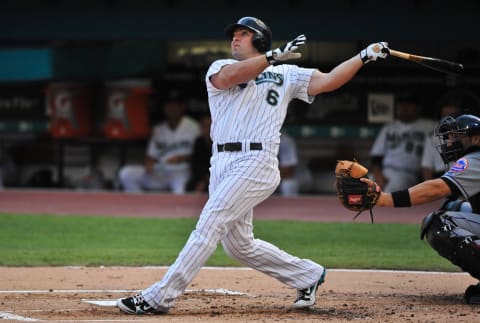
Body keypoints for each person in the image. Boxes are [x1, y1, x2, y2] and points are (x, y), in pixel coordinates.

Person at [117, 16, 389, 314]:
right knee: (239, 246)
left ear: (259, 40)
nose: (235, 38)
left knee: (210, 222)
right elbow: (231, 78)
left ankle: (159, 297)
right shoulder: (220, 66)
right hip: (221, 161)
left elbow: (328, 81)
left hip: (257, 160)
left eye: (244, 34)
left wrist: (363, 56)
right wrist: (271, 56)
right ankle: (307, 274)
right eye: (234, 34)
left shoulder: (287, 73)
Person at [363, 113, 480, 304]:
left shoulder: (475, 158)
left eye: (455, 137)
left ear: (475, 139)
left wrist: (385, 199)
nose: (449, 142)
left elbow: (438, 188)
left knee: (439, 223)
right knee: (456, 207)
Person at [118, 91, 200, 194]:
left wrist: (182, 158)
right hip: (161, 170)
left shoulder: (194, 127)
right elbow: (151, 156)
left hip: (181, 171)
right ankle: (140, 206)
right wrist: (149, 163)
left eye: (175, 105)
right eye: (169, 105)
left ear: (182, 107)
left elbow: (200, 154)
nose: (171, 108)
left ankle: (177, 209)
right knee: (126, 173)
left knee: (180, 189)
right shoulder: (158, 129)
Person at [370, 94, 436, 192]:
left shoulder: (429, 126)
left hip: (408, 174)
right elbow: (376, 156)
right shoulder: (389, 127)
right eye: (402, 105)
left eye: (409, 105)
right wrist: (378, 175)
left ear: (417, 108)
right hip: (385, 171)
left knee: (390, 192)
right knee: (361, 186)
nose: (404, 108)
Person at [421, 98, 464, 180]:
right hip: (441, 177)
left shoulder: (468, 136)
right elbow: (427, 167)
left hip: (463, 176)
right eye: (445, 116)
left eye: (452, 116)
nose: (447, 120)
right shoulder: (432, 138)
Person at [186, 114, 212, 193]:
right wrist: (203, 180)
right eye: (204, 126)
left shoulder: (219, 142)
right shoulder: (199, 142)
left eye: (209, 126)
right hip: (201, 177)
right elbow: (196, 163)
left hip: (216, 175)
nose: (207, 129)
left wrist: (207, 179)